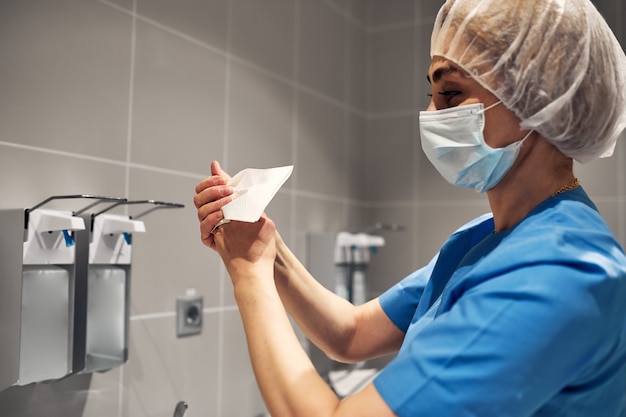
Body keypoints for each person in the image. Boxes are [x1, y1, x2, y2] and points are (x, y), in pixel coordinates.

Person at [193, 0, 626, 415]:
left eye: (451, 93)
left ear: (539, 98)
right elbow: (352, 334)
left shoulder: (556, 275)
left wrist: (248, 276)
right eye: (432, 93)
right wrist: (265, 251)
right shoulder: (487, 238)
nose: (430, 113)